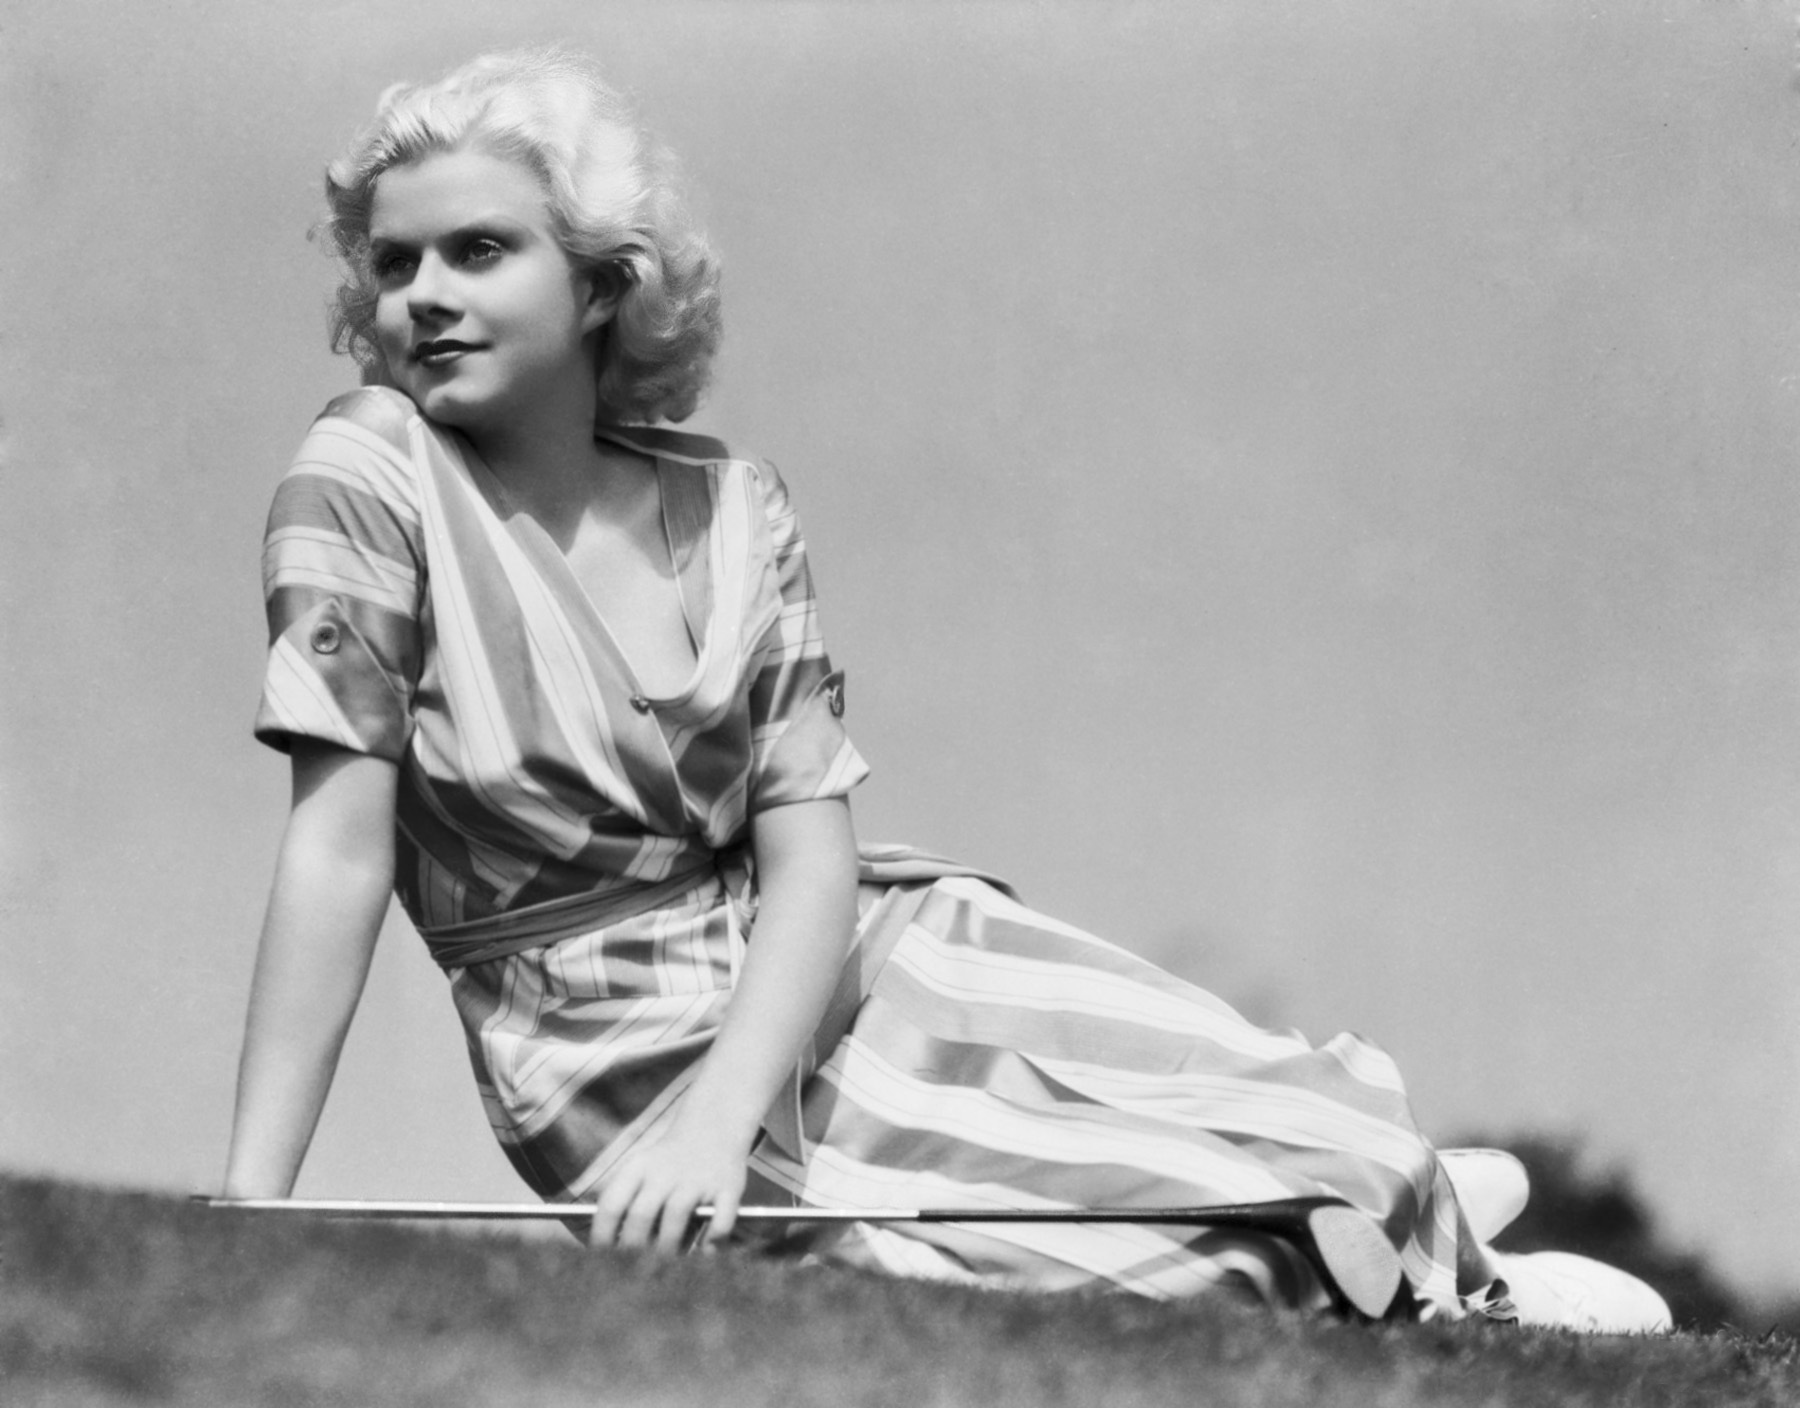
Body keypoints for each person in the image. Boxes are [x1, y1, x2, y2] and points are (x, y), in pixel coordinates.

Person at [224, 47, 1670, 1333]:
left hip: (848, 960)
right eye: (396, 264)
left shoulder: (732, 503)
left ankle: (1415, 1210)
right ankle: (1414, 1239)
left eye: (477, 252)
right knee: (1133, 1284)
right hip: (604, 1046)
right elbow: (340, 850)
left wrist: (737, 1111)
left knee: (1228, 1110)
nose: (422, 300)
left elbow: (807, 849)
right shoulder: (366, 474)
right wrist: (246, 1207)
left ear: (603, 281)